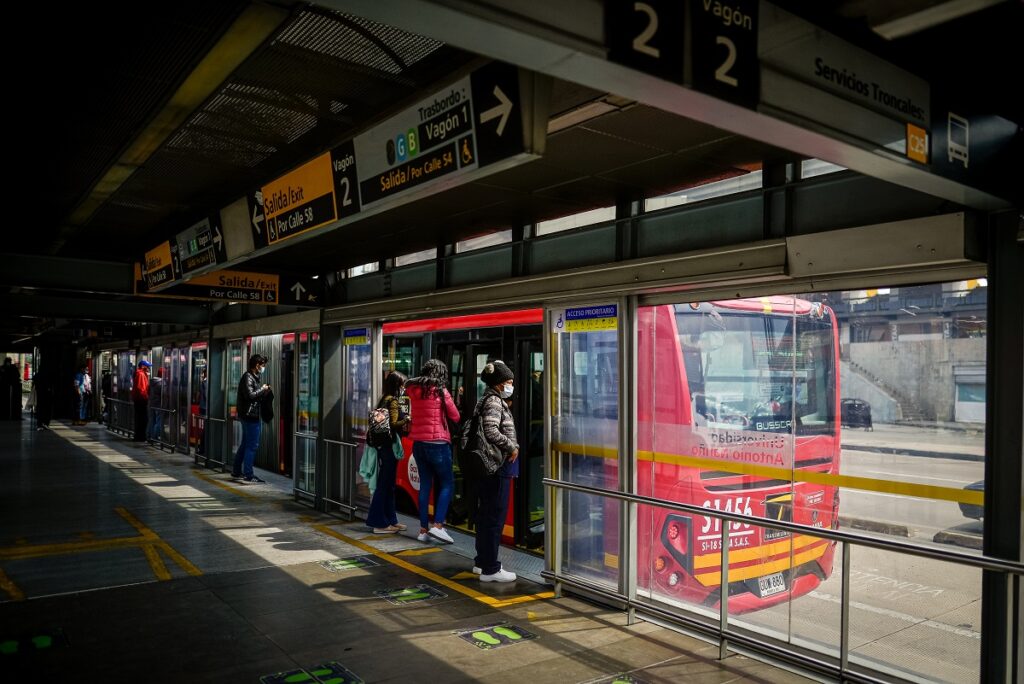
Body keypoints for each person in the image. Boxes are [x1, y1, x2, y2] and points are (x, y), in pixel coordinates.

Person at [471, 360, 520, 583]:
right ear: (499, 384)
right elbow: (491, 431)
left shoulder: (486, 399)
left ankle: (482, 563)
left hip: (489, 465)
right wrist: (511, 446)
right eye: (508, 382)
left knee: (486, 514)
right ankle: (491, 568)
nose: (511, 386)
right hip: (496, 465)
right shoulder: (494, 402)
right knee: (494, 516)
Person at [405, 359, 460, 543]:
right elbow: (455, 416)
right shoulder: (441, 392)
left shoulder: (413, 390)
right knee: (447, 483)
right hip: (438, 444)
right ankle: (438, 526)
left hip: (419, 444)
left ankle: (422, 530)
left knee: (425, 486)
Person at [365, 371, 411, 534]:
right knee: (385, 485)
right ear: (397, 385)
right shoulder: (392, 401)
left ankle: (391, 520)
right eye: (402, 384)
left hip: (383, 447)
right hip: (389, 448)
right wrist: (407, 419)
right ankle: (378, 523)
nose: (404, 388)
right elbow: (394, 423)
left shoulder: (383, 398)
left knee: (389, 485)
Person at [232, 354, 271, 483]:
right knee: (252, 445)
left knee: (244, 444)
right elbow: (250, 396)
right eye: (263, 365)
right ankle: (248, 474)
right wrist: (262, 389)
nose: (263, 368)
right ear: (257, 365)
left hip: (248, 415)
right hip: (250, 416)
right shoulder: (248, 377)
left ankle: (236, 471)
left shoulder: (251, 377)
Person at [132, 360, 151, 442]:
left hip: (139, 400)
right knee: (143, 419)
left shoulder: (141, 374)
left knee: (141, 419)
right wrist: (146, 398)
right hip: (141, 400)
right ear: (143, 366)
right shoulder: (141, 374)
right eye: (147, 366)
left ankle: (139, 436)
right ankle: (141, 437)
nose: (149, 368)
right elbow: (141, 389)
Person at [33, 364, 53, 431]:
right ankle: (45, 424)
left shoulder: (38, 375)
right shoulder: (48, 375)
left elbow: (34, 381)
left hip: (40, 395)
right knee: (47, 410)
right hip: (47, 395)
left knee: (40, 410)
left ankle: (39, 425)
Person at [148, 368, 165, 440]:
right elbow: (164, 393)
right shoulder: (161, 383)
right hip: (158, 405)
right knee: (159, 422)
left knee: (152, 421)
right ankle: (154, 437)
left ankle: (150, 435)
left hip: (152, 404)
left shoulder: (152, 382)